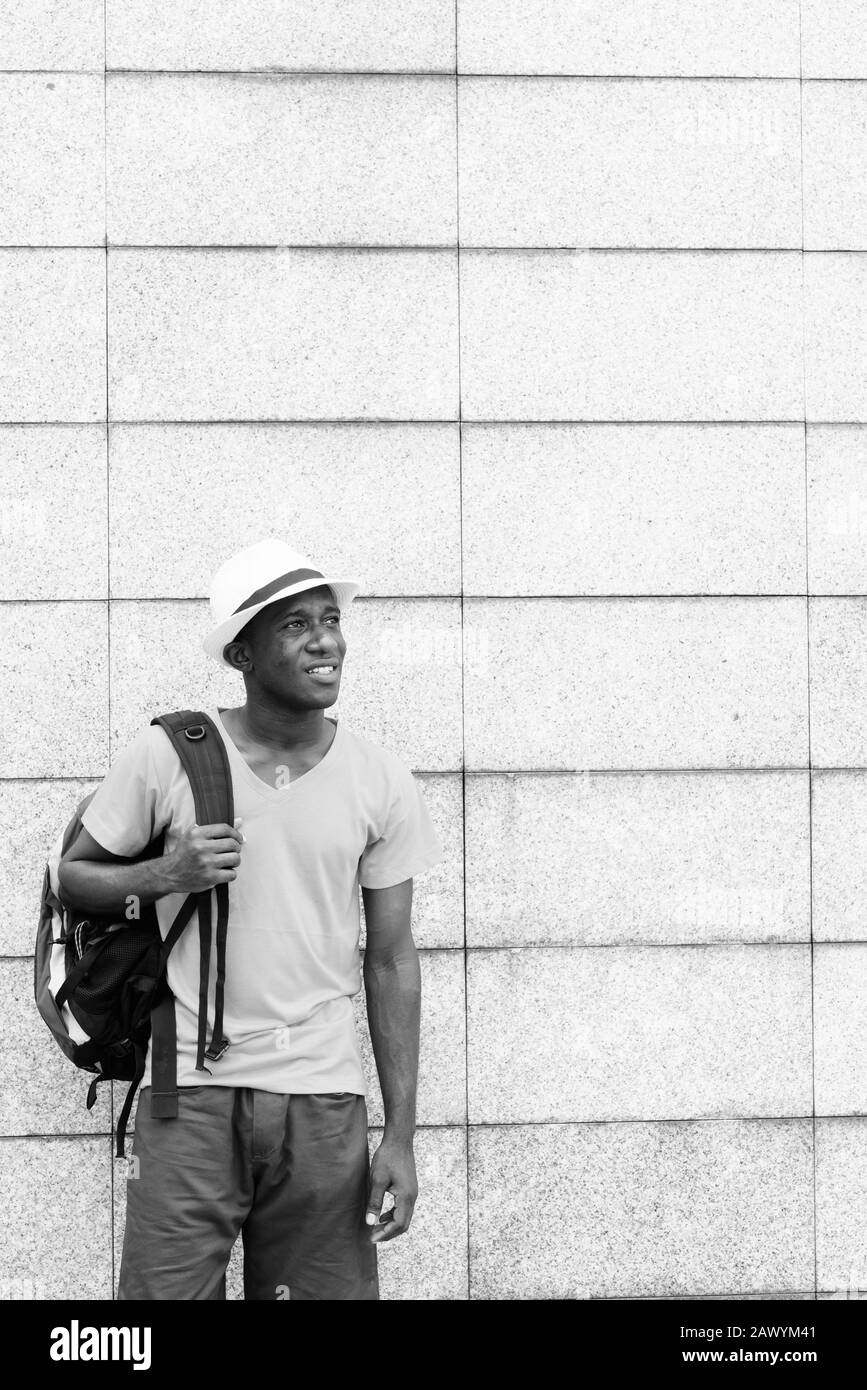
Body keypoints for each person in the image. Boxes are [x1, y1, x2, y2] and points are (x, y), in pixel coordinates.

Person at [58, 538, 443, 1301]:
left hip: (324, 1092)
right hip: (183, 1086)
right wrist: (165, 873)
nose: (325, 639)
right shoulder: (169, 753)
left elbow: (392, 958)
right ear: (241, 650)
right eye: (295, 624)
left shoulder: (379, 777)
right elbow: (74, 878)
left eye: (329, 619)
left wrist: (399, 1134)